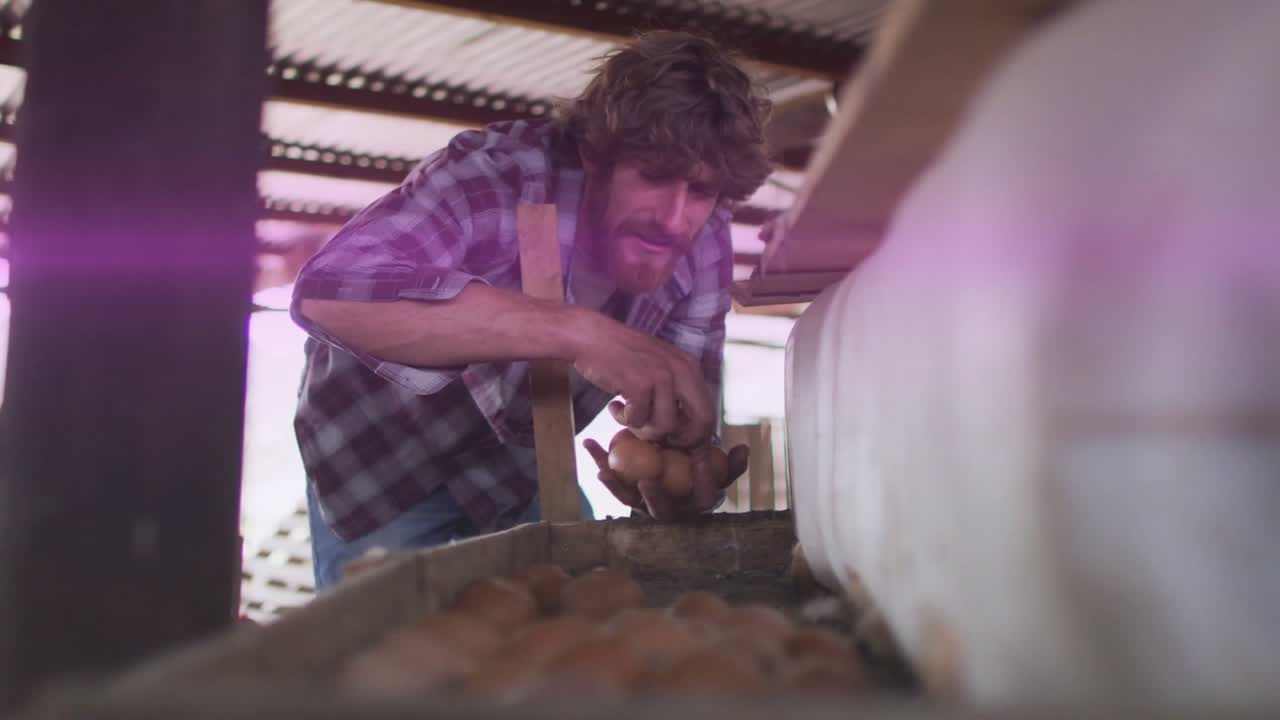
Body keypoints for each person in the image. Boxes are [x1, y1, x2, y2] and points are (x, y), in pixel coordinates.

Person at [290, 31, 771, 589]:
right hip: (381, 462)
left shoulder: (703, 241)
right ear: (596, 152)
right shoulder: (496, 174)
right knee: (386, 656)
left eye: (703, 191)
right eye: (655, 175)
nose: (674, 217)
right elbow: (329, 292)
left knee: (578, 625)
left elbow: (683, 423)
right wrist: (578, 333)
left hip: (518, 467)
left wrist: (672, 477)